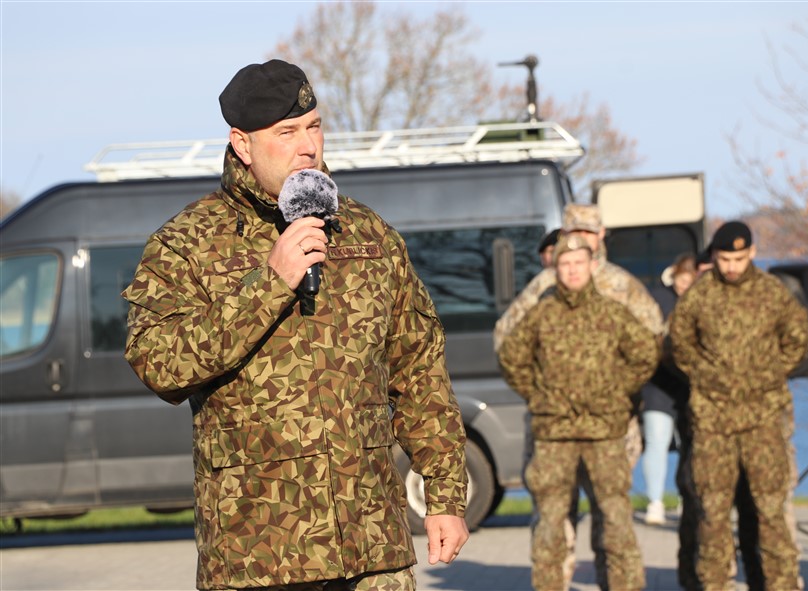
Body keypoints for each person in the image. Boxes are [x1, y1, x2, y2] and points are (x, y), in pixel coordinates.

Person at [122, 59, 469, 591]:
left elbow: (419, 370)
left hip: (373, 546)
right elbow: (158, 364)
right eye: (286, 133)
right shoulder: (186, 244)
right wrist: (269, 283)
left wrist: (444, 496)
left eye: (314, 127)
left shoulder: (370, 236)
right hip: (259, 554)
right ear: (242, 144)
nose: (308, 146)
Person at [494, 203, 664, 590]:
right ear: (555, 263)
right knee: (551, 522)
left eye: (580, 260)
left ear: (595, 251)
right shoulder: (541, 303)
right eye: (565, 262)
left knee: (615, 521)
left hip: (606, 430)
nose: (572, 269)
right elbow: (510, 352)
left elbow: (647, 348)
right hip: (554, 432)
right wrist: (539, 395)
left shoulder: (616, 299)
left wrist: (618, 392)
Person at [670, 220, 808, 591]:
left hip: (763, 419)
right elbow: (679, 345)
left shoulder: (772, 292)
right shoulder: (699, 295)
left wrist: (767, 373)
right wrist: (707, 375)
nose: (731, 267)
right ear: (714, 256)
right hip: (713, 421)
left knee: (770, 512)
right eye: (724, 259)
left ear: (752, 254)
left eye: (738, 259)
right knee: (713, 514)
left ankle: (781, 585)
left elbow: (798, 339)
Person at [641, 253, 697, 526]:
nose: (684, 285)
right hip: (658, 385)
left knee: (691, 444)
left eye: (689, 280)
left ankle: (689, 498)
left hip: (689, 386)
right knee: (657, 440)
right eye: (681, 279)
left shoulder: (702, 300)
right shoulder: (657, 298)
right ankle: (655, 502)